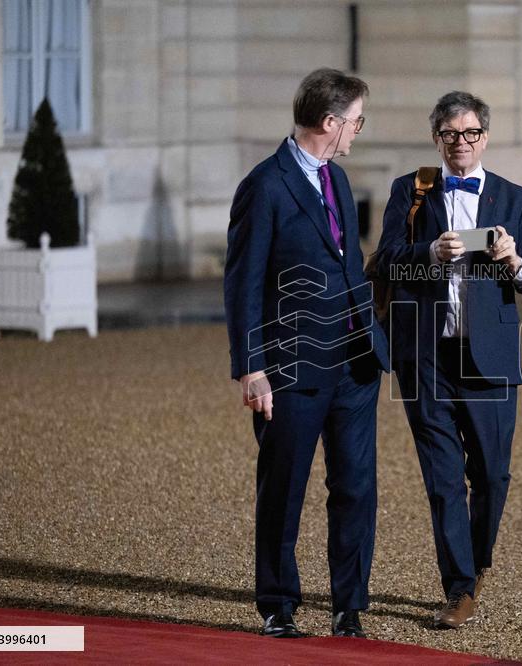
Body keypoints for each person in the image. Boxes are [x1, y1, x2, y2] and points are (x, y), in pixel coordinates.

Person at [374, 91, 522, 629]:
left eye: (470, 133)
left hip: (489, 359)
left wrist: (514, 261)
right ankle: (459, 587)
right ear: (436, 139)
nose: (460, 144)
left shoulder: (514, 197)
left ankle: (477, 563)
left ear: (485, 138)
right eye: (450, 134)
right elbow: (381, 261)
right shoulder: (412, 189)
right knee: (443, 479)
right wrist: (428, 254)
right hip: (424, 356)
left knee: (493, 476)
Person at [224, 68, 389, 639]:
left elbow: (348, 261)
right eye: (356, 121)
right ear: (329, 122)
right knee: (283, 487)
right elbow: (242, 283)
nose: (358, 132)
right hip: (291, 369)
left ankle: (349, 606)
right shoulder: (264, 186)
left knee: (355, 488)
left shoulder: (338, 180)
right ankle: (277, 604)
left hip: (355, 363)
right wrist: (251, 368)